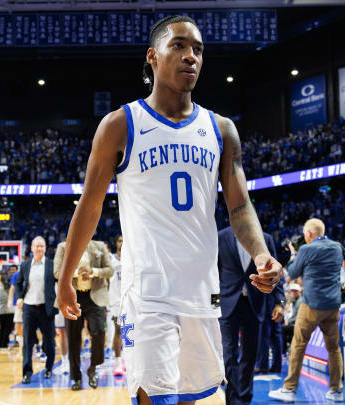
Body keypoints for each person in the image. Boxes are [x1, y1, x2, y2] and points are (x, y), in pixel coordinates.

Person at [56, 15, 283, 405]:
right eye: (178, 46)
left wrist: (261, 253)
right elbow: (89, 208)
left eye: (197, 49)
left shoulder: (221, 129)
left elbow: (240, 205)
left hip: (201, 289)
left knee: (187, 397)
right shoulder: (120, 124)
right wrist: (64, 277)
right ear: (153, 57)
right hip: (147, 290)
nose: (190, 56)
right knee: (154, 398)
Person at [269, 218, 344, 402]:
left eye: (305, 233)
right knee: (334, 349)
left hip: (312, 305)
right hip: (333, 306)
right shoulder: (337, 247)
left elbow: (293, 273)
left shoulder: (306, 249)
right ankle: (336, 391)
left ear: (309, 234)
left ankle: (289, 389)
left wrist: (294, 254)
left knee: (298, 345)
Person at [217, 226, 283, 404]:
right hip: (227, 304)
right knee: (229, 354)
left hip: (255, 304)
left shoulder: (266, 239)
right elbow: (213, 273)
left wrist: (280, 302)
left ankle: (244, 398)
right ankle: (232, 399)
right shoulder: (220, 237)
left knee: (250, 355)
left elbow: (276, 274)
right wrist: (212, 306)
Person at [53, 239, 113, 391]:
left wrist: (92, 272)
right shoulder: (63, 247)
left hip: (96, 297)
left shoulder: (100, 246)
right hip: (73, 297)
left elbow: (109, 270)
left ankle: (93, 368)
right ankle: (76, 378)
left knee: (99, 331)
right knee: (73, 338)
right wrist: (76, 273)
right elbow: (57, 272)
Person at [16, 236, 58, 384]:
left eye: (42, 246)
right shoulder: (25, 265)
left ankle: (48, 368)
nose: (39, 248)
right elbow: (19, 282)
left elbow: (60, 282)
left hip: (46, 308)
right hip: (29, 308)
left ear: (45, 248)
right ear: (32, 248)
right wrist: (19, 297)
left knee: (49, 341)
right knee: (27, 341)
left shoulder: (52, 265)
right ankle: (27, 372)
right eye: (37, 246)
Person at [108, 235, 125, 377]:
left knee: (131, 331)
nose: (122, 243)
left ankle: (126, 359)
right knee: (118, 330)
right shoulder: (110, 259)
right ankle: (118, 362)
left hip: (130, 299)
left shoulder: (133, 258)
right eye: (119, 240)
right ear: (116, 243)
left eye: (124, 240)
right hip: (115, 300)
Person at [0, 272, 15, 350]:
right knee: (8, 328)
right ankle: (4, 344)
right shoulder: (10, 289)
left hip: (1, 311)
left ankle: (1, 344)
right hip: (9, 311)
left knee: (3, 328)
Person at [6, 264, 24, 347]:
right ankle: (22, 340)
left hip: (31, 302)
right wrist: (9, 301)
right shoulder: (17, 274)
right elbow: (12, 288)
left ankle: (26, 340)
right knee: (18, 324)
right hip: (19, 303)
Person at [282, 284, 302, 354]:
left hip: (297, 324)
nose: (293, 293)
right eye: (292, 291)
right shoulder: (293, 301)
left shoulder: (300, 301)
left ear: (299, 292)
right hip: (293, 323)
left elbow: (299, 317)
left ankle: (282, 351)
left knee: (282, 329)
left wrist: (289, 322)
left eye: (295, 291)